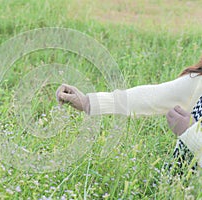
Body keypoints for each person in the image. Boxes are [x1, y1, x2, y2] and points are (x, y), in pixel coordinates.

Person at [56, 59, 202, 175]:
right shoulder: (199, 81)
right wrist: (88, 102)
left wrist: (190, 133)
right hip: (178, 185)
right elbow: (151, 96)